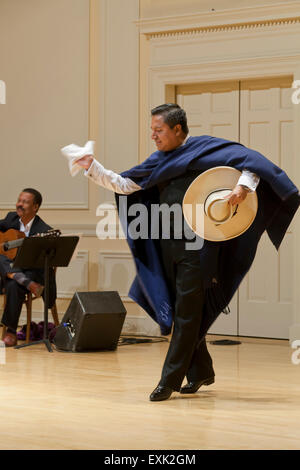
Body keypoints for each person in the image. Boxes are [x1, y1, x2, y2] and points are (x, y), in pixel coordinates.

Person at [65, 103, 299, 401]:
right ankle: (201, 371)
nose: (153, 136)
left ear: (177, 129)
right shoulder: (160, 160)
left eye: (158, 130)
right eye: (152, 131)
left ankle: (169, 380)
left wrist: (243, 188)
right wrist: (91, 166)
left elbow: (253, 164)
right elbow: (124, 184)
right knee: (176, 310)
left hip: (198, 248)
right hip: (166, 244)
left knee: (188, 313)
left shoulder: (207, 150)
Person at [0, 188, 56, 347]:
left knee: (12, 284)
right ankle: (19, 278)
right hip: (10, 273)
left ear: (35, 207)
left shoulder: (44, 230)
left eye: (25, 202)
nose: (19, 204)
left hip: (32, 275)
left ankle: (11, 332)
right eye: (19, 200)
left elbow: (43, 264)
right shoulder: (11, 218)